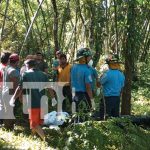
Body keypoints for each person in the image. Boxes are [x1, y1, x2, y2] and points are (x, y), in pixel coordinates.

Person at [10, 59, 56, 140]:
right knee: (37, 122)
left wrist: (13, 98)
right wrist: (53, 98)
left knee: (34, 123)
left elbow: (19, 88)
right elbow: (49, 87)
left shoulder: (26, 74)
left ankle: (45, 140)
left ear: (27, 66)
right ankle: (32, 136)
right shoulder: (44, 74)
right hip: (43, 103)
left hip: (33, 103)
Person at [71, 48, 95, 117]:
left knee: (76, 114)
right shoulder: (87, 70)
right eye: (89, 57)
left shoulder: (73, 67)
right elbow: (88, 87)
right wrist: (91, 99)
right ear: (85, 58)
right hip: (84, 95)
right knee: (85, 115)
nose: (90, 58)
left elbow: (71, 82)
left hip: (74, 94)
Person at [99, 54, 125, 118]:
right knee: (115, 116)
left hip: (107, 98)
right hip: (117, 98)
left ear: (109, 64)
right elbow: (122, 88)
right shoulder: (121, 75)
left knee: (105, 116)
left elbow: (98, 84)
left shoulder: (106, 74)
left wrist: (99, 78)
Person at [2, 53, 20, 129]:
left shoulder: (6, 68)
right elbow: (15, 85)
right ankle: (8, 127)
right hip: (10, 93)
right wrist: (18, 95)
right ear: (17, 61)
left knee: (8, 110)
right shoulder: (13, 71)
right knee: (10, 111)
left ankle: (8, 126)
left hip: (5, 92)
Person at [0, 51, 11, 124]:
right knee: (3, 105)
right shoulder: (5, 69)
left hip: (3, 88)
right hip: (2, 89)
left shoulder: (1, 66)